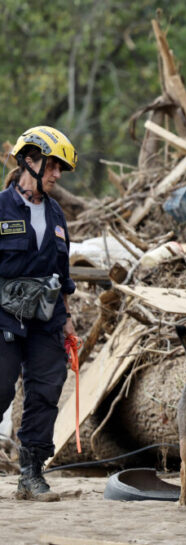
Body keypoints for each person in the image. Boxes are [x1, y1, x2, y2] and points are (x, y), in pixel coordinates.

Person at [0, 126, 78, 501]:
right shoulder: (1, 209)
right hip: (4, 319)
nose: (56, 175)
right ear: (28, 161)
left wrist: (68, 320)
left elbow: (63, 276)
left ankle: (31, 474)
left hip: (47, 320)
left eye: (59, 169)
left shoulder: (57, 215)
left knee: (46, 391)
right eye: (51, 166)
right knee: (0, 388)